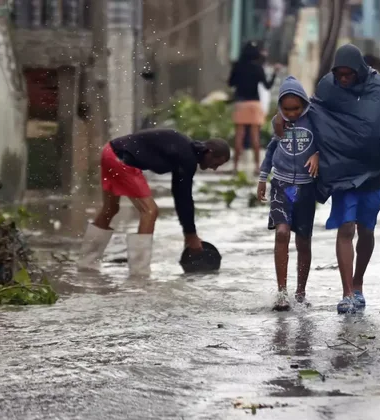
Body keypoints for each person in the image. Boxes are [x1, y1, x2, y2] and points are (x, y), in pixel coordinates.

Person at [273, 44, 380, 314]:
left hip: (371, 169)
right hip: (341, 169)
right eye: (340, 74)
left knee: (366, 230)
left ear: (359, 71)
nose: (343, 79)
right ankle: (346, 293)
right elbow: (312, 114)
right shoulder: (328, 87)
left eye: (348, 75)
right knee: (346, 229)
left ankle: (358, 284)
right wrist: (283, 121)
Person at [78, 130, 230, 276]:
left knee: (110, 208)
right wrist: (191, 235)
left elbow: (179, 195)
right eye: (216, 163)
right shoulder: (187, 157)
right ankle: (139, 273)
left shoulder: (185, 150)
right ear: (209, 152)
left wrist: (188, 235)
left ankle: (86, 264)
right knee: (150, 211)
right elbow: (184, 198)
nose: (215, 168)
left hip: (109, 151)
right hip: (122, 160)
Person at [257, 77, 320, 311]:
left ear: (304, 104)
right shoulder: (278, 124)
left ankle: (300, 293)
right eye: (286, 109)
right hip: (281, 185)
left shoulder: (314, 120)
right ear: (280, 108)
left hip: (306, 187)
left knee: (303, 241)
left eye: (296, 108)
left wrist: (318, 155)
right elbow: (271, 149)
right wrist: (263, 178)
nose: (292, 113)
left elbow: (328, 141)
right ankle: (282, 293)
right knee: (282, 233)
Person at [228, 41, 281, 175]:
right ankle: (258, 167)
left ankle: (235, 167)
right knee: (255, 137)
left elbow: (231, 83)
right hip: (254, 104)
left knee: (239, 136)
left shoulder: (238, 66)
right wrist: (274, 73)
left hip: (240, 103)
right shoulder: (258, 68)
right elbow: (267, 86)